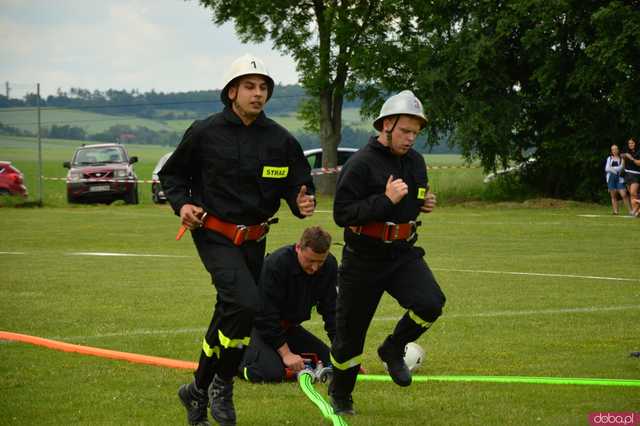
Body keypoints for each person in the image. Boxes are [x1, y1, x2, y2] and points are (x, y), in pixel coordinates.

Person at [159, 53, 316, 426]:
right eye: (249, 86)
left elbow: (298, 183)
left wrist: (301, 199)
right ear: (232, 92)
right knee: (246, 303)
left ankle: (195, 390)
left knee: (230, 312)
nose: (257, 94)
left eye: (263, 88)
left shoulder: (281, 140)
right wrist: (182, 205)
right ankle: (222, 385)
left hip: (254, 239)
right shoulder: (204, 132)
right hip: (213, 233)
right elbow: (172, 176)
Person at [328, 90, 446, 416]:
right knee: (350, 337)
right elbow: (343, 213)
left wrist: (423, 203)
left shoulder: (416, 162)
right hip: (363, 259)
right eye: (405, 131)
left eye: (415, 133)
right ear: (387, 125)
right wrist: (386, 201)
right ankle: (341, 393)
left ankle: (393, 348)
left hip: (402, 254)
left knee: (430, 303)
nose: (410, 139)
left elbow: (413, 197)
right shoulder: (360, 163)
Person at [238, 226, 337, 383]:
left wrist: (344, 358)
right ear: (298, 248)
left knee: (331, 363)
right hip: (258, 327)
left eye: (320, 262)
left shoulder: (330, 265)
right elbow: (265, 316)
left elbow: (331, 311)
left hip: (288, 328)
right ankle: (236, 359)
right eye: (310, 260)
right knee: (271, 373)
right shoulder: (276, 265)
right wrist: (286, 354)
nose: (315, 268)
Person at [604, 144, 632, 215]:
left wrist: (612, 169)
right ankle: (615, 211)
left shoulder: (621, 158)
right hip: (610, 179)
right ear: (611, 151)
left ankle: (630, 211)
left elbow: (621, 168)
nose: (614, 151)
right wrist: (614, 170)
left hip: (619, 178)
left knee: (624, 195)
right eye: (613, 149)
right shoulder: (609, 158)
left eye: (616, 149)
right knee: (613, 196)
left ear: (618, 150)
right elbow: (606, 169)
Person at [622, 137, 640, 217]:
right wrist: (623, 157)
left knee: (633, 193)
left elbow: (639, 163)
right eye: (629, 143)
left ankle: (635, 210)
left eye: (632, 143)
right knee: (631, 193)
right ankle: (635, 211)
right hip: (627, 174)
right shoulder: (627, 151)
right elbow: (622, 156)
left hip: (636, 174)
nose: (630, 145)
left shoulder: (639, 152)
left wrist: (631, 158)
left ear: (635, 143)